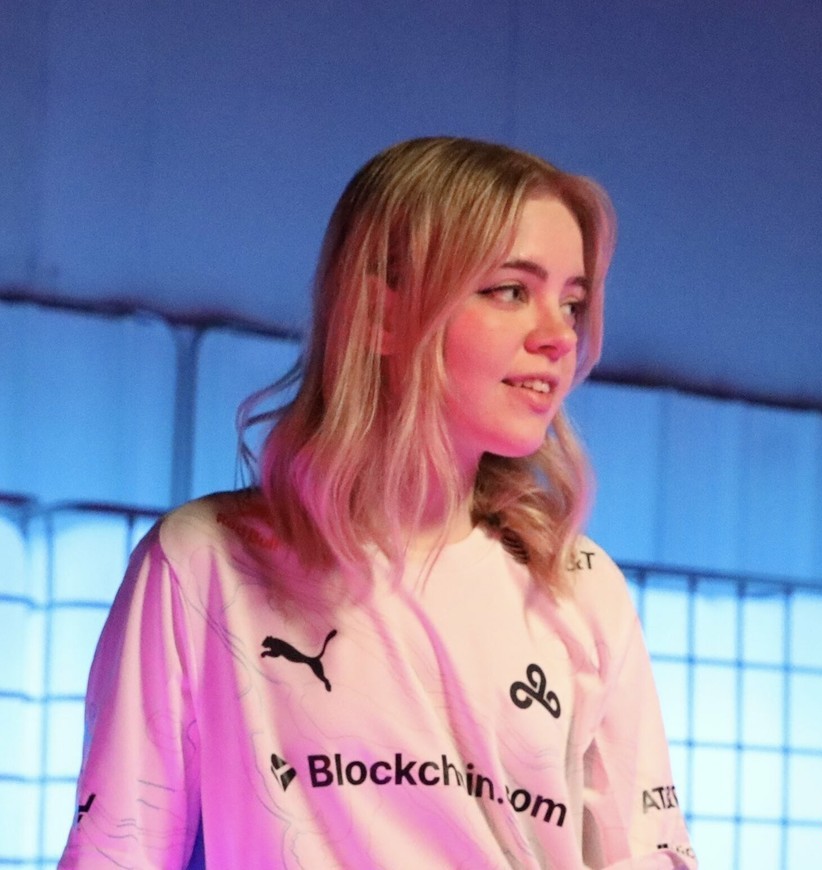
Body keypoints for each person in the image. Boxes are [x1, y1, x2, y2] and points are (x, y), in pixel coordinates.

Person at [59, 137, 697, 868]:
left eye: (573, 303)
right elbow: (116, 851)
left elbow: (650, 854)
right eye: (510, 291)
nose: (559, 336)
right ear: (381, 313)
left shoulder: (578, 585)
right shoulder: (203, 564)